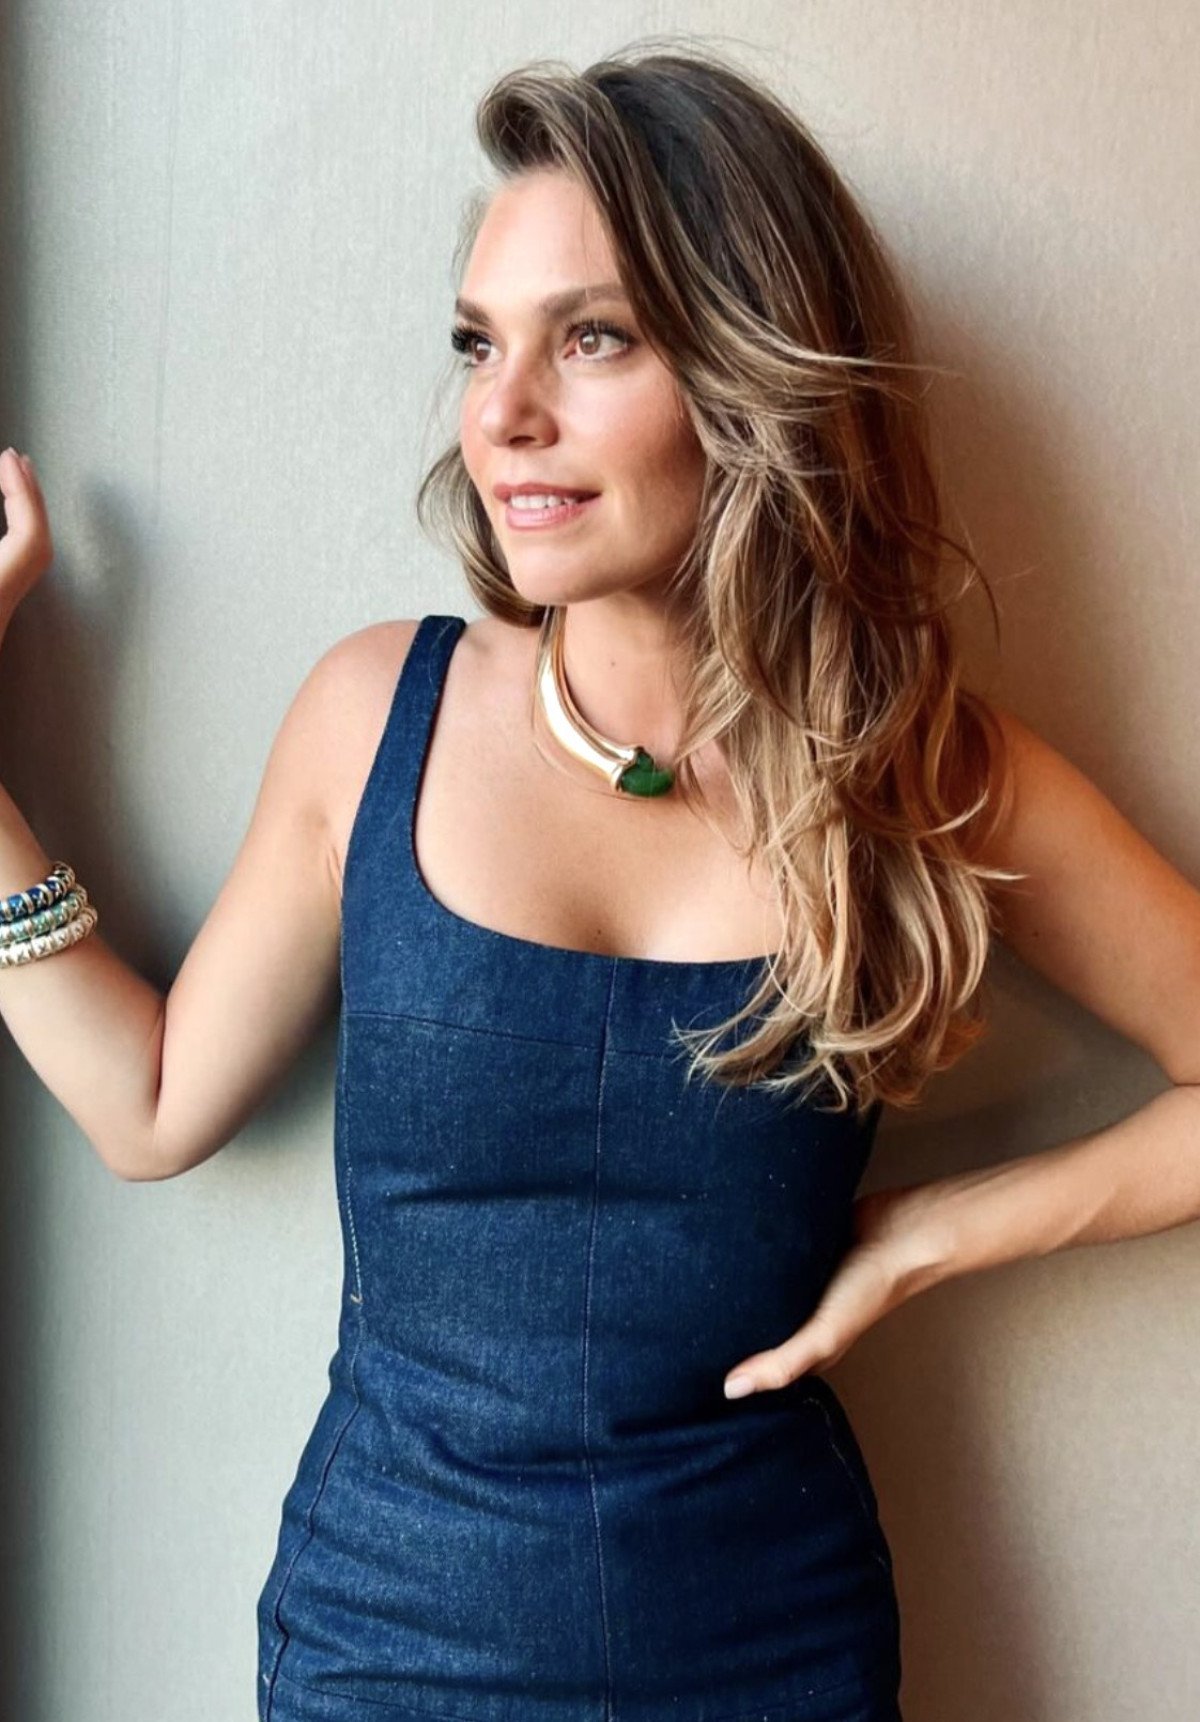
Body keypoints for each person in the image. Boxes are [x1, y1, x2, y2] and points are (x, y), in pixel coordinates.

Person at [3, 38, 1199, 1722]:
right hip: (387, 1648)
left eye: (593, 338)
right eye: (479, 343)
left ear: (749, 369)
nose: (503, 414)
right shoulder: (377, 717)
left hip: (773, 1652)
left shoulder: (915, 772)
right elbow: (146, 1105)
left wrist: (932, 1233)